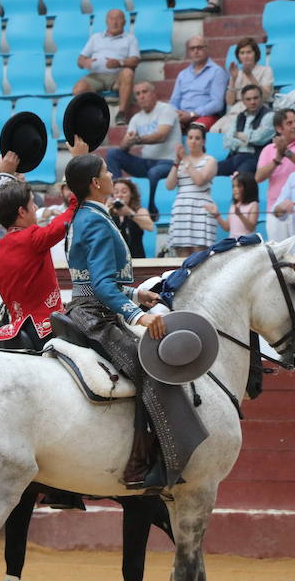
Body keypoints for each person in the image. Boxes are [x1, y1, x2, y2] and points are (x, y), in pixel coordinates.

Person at [64, 153, 207, 490]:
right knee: (151, 369)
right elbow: (99, 285)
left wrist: (133, 295)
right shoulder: (96, 219)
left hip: (88, 308)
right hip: (95, 317)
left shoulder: (86, 215)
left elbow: (94, 280)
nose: (111, 174)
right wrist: (137, 315)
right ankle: (143, 465)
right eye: (105, 171)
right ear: (96, 184)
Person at [0, 152, 78, 347]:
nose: (36, 206)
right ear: (22, 212)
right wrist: (78, 173)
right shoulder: (31, 238)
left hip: (17, 331)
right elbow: (67, 217)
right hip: (46, 330)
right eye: (32, 203)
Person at [105, 82, 181, 220]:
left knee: (154, 173)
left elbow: (162, 135)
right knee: (113, 154)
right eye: (138, 94)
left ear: (153, 93)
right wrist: (127, 142)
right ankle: (115, 200)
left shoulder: (166, 109)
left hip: (168, 162)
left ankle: (152, 211)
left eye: (145, 92)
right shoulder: (136, 118)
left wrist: (137, 140)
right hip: (146, 162)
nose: (142, 96)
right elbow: (124, 146)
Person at [73, 9, 140, 126]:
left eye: (118, 19)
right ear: (106, 21)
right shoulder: (95, 37)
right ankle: (94, 117)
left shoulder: (130, 39)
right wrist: (85, 62)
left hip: (117, 77)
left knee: (128, 73)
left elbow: (135, 61)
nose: (115, 22)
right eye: (112, 19)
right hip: (95, 76)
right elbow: (80, 60)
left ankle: (122, 113)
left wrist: (120, 63)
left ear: (124, 22)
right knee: (78, 89)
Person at [255, 108, 295, 241]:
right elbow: (258, 177)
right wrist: (277, 159)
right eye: (289, 123)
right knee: (278, 256)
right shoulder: (268, 150)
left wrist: (288, 153)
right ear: (279, 128)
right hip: (276, 209)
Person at [166, 124, 218, 257]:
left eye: (197, 138)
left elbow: (200, 181)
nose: (193, 141)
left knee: (199, 254)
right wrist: (177, 162)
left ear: (203, 141)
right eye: (190, 138)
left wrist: (185, 159)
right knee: (181, 255)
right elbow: (169, 185)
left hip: (200, 207)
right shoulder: (181, 161)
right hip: (181, 207)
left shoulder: (210, 160)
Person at [212, 38, 273, 135]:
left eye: (249, 52)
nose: (245, 56)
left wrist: (250, 76)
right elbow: (230, 101)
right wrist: (233, 78)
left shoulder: (265, 70)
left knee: (231, 130)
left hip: (257, 109)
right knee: (214, 130)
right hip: (236, 110)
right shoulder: (237, 73)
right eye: (242, 53)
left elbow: (265, 95)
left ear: (255, 54)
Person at [169, 35, 229, 131]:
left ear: (207, 49)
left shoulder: (217, 72)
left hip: (206, 116)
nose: (196, 51)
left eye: (199, 47)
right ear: (188, 52)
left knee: (195, 129)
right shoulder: (183, 74)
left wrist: (192, 114)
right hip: (182, 117)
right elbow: (173, 102)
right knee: (164, 127)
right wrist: (177, 114)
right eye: (192, 48)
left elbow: (217, 104)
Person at [216, 84, 275, 176]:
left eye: (256, 98)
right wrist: (244, 140)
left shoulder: (269, 116)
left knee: (241, 178)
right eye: (248, 99)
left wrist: (238, 135)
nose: (252, 102)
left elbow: (259, 139)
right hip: (235, 156)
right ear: (243, 101)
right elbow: (227, 141)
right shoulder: (240, 117)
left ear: (261, 98)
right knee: (210, 170)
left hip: (255, 158)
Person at [204, 172, 260, 238]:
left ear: (248, 188)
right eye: (233, 186)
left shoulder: (253, 205)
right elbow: (227, 228)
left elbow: (251, 228)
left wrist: (240, 215)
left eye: (238, 186)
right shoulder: (233, 206)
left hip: (247, 244)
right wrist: (216, 215)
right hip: (233, 243)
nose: (235, 189)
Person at [109, 178, 153, 259]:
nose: (120, 195)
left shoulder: (139, 210)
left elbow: (150, 227)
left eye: (124, 192)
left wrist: (130, 213)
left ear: (131, 194)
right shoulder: (109, 212)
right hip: (115, 258)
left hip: (136, 257)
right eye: (116, 192)